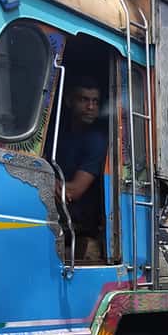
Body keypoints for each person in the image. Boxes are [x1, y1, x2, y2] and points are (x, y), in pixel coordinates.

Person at [54, 77, 107, 261]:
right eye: (84, 100)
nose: (91, 107)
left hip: (79, 227)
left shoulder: (96, 141)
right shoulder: (58, 133)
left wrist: (48, 181)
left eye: (95, 102)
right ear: (69, 101)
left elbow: (73, 191)